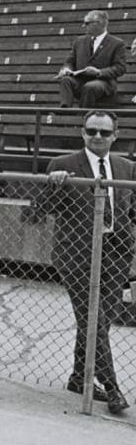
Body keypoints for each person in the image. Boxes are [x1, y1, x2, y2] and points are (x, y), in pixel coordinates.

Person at [22, 110, 132, 415]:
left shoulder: (126, 168)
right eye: (91, 131)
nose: (97, 136)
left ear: (115, 135)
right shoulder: (63, 166)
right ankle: (112, 388)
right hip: (77, 257)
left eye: (104, 132)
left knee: (99, 323)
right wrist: (53, 186)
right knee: (92, 320)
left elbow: (131, 212)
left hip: (116, 255)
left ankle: (77, 377)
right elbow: (35, 215)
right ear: (82, 133)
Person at [57, 10, 126, 108]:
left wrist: (99, 72)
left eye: (87, 23)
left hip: (104, 82)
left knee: (90, 87)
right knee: (66, 80)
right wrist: (66, 69)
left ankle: (83, 117)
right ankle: (64, 112)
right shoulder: (79, 41)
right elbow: (70, 62)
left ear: (98, 23)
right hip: (81, 80)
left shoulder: (117, 43)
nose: (84, 26)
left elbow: (120, 68)